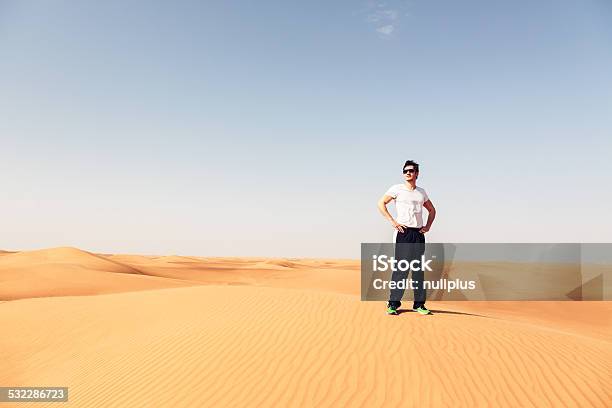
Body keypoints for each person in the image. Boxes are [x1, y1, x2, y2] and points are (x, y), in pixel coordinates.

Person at [377, 160, 436, 315]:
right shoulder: (397, 189)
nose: (407, 173)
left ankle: (419, 305)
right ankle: (393, 304)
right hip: (403, 233)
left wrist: (427, 226)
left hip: (418, 234)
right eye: (405, 171)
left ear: (417, 173)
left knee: (418, 270)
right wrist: (392, 221)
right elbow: (381, 203)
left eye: (411, 170)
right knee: (401, 270)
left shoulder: (421, 192)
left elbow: (432, 210)